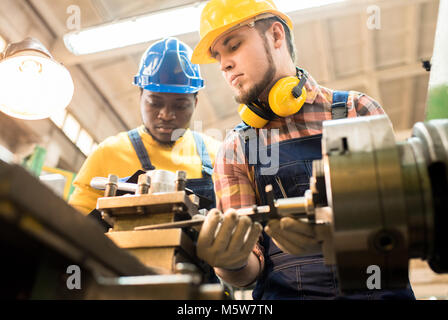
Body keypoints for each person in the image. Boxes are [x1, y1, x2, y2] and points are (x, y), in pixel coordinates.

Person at [192, 0, 415, 299]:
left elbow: (406, 220)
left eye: (233, 46)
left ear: (275, 36)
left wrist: (344, 228)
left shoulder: (355, 111)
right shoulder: (237, 147)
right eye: (218, 56)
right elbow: (249, 267)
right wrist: (229, 262)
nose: (223, 64)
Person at [69, 37, 221, 219]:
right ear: (140, 97)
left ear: (195, 103)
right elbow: (75, 224)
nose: (165, 114)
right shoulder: (108, 153)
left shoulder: (218, 157)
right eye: (155, 102)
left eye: (179, 105)